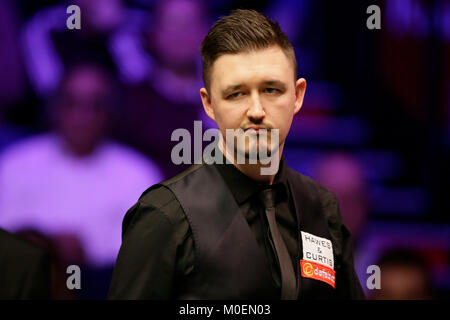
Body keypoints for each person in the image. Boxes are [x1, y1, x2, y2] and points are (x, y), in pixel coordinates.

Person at [108, 9, 364, 299]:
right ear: (209, 104)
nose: (256, 111)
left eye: (271, 90)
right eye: (236, 94)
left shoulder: (321, 208)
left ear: (297, 97)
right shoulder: (163, 215)